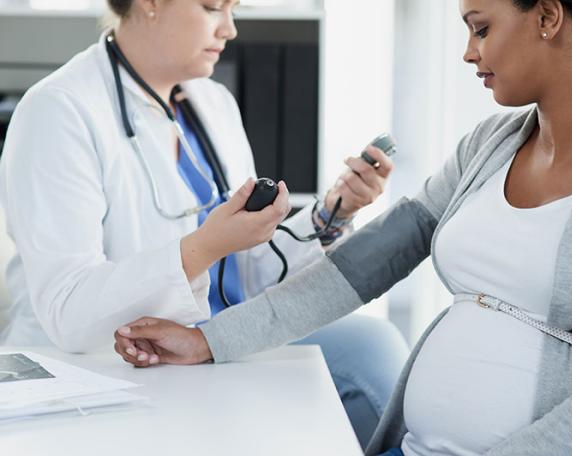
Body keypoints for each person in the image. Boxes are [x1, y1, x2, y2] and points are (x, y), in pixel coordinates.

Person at [114, 0, 572, 454]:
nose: (469, 53)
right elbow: (360, 267)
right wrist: (210, 340)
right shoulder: (489, 146)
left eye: (482, 28)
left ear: (548, 17)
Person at [0, 0, 409, 448]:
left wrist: (332, 213)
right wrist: (203, 248)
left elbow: (248, 274)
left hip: (215, 336)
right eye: (213, 7)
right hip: (99, 367)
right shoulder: (59, 110)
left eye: (235, 9)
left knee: (375, 346)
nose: (230, 29)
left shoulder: (213, 103)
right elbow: (68, 312)